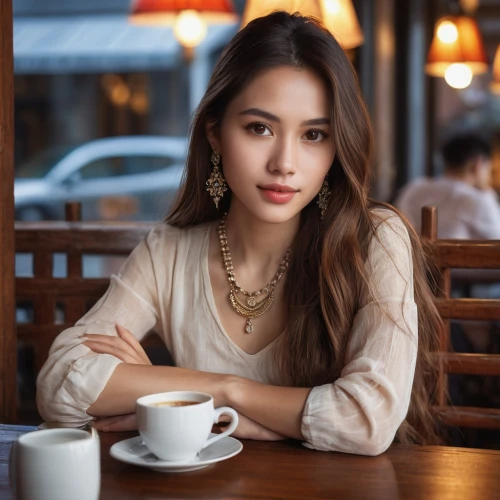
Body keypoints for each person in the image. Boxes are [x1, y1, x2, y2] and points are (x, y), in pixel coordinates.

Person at [36, 11, 442, 456]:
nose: (284, 162)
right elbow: (61, 385)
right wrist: (223, 392)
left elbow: (367, 420)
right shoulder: (170, 251)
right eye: (259, 128)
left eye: (313, 135)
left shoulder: (376, 240)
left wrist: (183, 397)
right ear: (215, 133)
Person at [395, 133, 500, 239]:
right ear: (478, 164)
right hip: (452, 255)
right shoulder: (476, 200)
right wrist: (487, 192)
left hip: (408, 254)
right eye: (489, 168)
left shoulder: (414, 187)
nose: (490, 175)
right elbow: (497, 241)